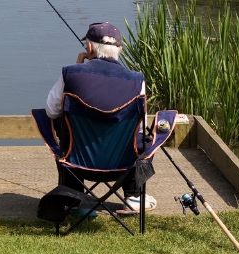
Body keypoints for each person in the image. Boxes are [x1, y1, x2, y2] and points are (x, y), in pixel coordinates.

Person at [45, 21, 156, 212]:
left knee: (61, 123)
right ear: (119, 50)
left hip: (77, 163)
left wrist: (76, 68)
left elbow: (51, 110)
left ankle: (73, 197)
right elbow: (140, 124)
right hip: (122, 165)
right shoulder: (137, 81)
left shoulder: (70, 73)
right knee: (144, 136)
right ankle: (134, 195)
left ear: (89, 47)